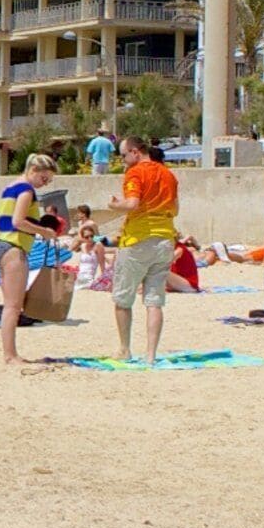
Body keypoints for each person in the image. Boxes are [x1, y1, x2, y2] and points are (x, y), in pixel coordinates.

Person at [107, 133, 184, 364]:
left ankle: (125, 348)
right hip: (164, 239)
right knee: (154, 301)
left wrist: (114, 205)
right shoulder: (168, 174)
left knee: (123, 298)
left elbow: (132, 204)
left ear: (134, 152)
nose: (122, 161)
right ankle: (151, 355)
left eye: (123, 155)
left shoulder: (135, 173)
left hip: (138, 240)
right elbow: (176, 209)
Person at [0, 153, 58, 364]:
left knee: (9, 305)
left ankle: (9, 353)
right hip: (15, 246)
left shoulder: (9, 187)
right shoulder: (26, 190)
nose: (44, 184)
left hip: (1, 245)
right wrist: (44, 231)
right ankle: (10, 355)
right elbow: (19, 221)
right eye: (44, 179)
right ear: (33, 170)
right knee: (13, 306)